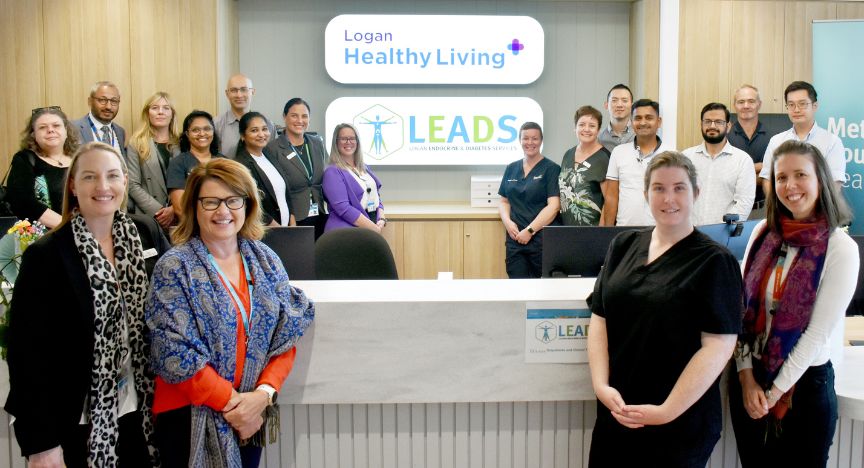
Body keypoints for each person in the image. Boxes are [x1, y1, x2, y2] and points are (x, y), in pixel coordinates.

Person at [5, 142, 171, 467]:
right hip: (76, 423)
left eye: (112, 176)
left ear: (125, 179)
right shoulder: (47, 254)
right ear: (73, 184)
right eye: (90, 177)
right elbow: (26, 355)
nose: (103, 187)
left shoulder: (146, 232)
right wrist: (41, 444)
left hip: (144, 413)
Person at [146, 158, 314, 467]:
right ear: (194, 206)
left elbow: (286, 335)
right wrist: (235, 405)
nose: (223, 212)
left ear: (248, 205)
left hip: (251, 413)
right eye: (211, 202)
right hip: (189, 415)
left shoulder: (266, 261)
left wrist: (263, 396)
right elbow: (173, 351)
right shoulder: (174, 267)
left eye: (233, 200)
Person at [587, 151, 742, 467]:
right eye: (658, 188)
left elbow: (718, 348)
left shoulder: (715, 261)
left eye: (679, 188)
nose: (668, 197)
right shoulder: (623, 245)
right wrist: (601, 386)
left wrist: (667, 410)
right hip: (617, 415)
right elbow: (600, 319)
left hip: (679, 423)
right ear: (646, 194)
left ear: (695, 193)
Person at [730, 140, 858, 467]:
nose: (790, 186)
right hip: (750, 381)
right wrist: (745, 378)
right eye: (781, 177)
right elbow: (740, 312)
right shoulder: (762, 231)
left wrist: (771, 395)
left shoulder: (839, 247)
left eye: (801, 174)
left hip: (804, 391)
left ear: (821, 182)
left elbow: (816, 334)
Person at [497, 122, 561, 278]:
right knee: (517, 287)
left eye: (535, 138)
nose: (530, 143)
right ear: (520, 140)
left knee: (542, 290)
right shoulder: (511, 168)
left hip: (540, 240)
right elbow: (504, 201)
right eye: (525, 138)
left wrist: (530, 231)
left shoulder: (551, 169)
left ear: (541, 141)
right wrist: (507, 222)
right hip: (515, 239)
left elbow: (553, 207)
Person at [759, 81, 846, 195]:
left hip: (818, 211)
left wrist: (807, 209)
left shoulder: (832, 142)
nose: (796, 109)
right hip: (782, 209)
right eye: (791, 104)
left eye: (802, 104)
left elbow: (835, 184)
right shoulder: (776, 141)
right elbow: (767, 179)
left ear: (814, 106)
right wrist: (780, 208)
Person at [682, 102, 755, 225]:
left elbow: (744, 202)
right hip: (688, 234)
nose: (712, 126)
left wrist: (722, 230)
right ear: (701, 124)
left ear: (728, 126)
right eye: (707, 121)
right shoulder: (685, 157)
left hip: (724, 235)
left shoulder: (742, 160)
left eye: (718, 122)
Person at [6, 106, 79, 228]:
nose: (50, 130)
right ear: (33, 134)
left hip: (86, 235)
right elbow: (23, 203)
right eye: (42, 127)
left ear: (66, 131)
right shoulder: (24, 159)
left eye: (56, 126)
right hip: (43, 239)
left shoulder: (81, 158)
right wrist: (69, 227)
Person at [603, 99, 672, 226]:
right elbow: (611, 197)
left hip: (661, 231)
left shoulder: (672, 155)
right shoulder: (619, 152)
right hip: (624, 231)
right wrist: (607, 232)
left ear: (659, 122)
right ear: (631, 122)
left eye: (649, 118)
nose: (643, 122)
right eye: (638, 118)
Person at [266, 98, 328, 239]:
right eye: (294, 115)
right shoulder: (273, 149)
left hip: (320, 212)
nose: (300, 120)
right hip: (294, 217)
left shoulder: (317, 143)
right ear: (284, 116)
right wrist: (291, 217)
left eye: (304, 116)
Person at [126, 91, 181, 229]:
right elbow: (132, 184)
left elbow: (190, 182)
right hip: (150, 216)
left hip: (180, 214)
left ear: (172, 114)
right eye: (155, 108)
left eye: (166, 108)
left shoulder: (182, 142)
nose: (160, 112)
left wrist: (175, 208)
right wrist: (160, 211)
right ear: (147, 113)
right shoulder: (136, 143)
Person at [234, 111, 295, 226]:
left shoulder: (269, 155)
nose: (262, 134)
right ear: (243, 135)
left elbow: (285, 192)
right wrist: (276, 227)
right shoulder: (240, 165)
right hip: (263, 232)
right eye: (254, 130)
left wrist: (292, 222)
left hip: (286, 230)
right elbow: (249, 203)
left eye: (264, 129)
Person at [322, 123, 386, 233]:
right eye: (343, 139)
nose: (348, 142)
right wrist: (373, 228)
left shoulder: (364, 168)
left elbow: (375, 196)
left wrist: (381, 217)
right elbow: (343, 209)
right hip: (346, 233)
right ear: (336, 143)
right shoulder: (332, 172)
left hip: (370, 227)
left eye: (352, 138)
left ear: (357, 142)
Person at [166, 110, 224, 218]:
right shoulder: (178, 163)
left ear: (213, 132)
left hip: (223, 221)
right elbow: (179, 207)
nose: (202, 134)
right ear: (187, 134)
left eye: (207, 129)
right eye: (195, 130)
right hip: (192, 227)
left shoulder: (224, 162)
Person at [559, 106, 610, 226]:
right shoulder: (568, 154)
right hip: (565, 230)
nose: (586, 129)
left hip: (592, 231)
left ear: (598, 130)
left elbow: (609, 202)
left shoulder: (604, 158)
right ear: (575, 128)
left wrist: (601, 232)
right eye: (581, 125)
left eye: (592, 126)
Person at [727, 84, 772, 217]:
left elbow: (773, 173)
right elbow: (726, 173)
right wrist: (760, 167)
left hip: (762, 210)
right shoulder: (725, 136)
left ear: (759, 104)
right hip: (731, 210)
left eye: (751, 101)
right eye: (741, 102)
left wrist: (741, 172)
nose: (746, 105)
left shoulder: (774, 137)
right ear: (735, 105)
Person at [214, 74, 273, 159]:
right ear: (227, 94)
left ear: (253, 92)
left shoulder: (268, 125)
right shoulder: (216, 125)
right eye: (234, 90)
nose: (239, 95)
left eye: (244, 90)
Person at [73, 81, 126, 154]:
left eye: (114, 101)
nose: (108, 107)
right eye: (102, 100)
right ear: (90, 101)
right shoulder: (73, 129)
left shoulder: (120, 132)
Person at [598, 84, 635, 152]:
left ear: (632, 106)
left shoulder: (640, 134)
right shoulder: (598, 138)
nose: (619, 105)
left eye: (624, 100)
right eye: (614, 100)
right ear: (606, 105)